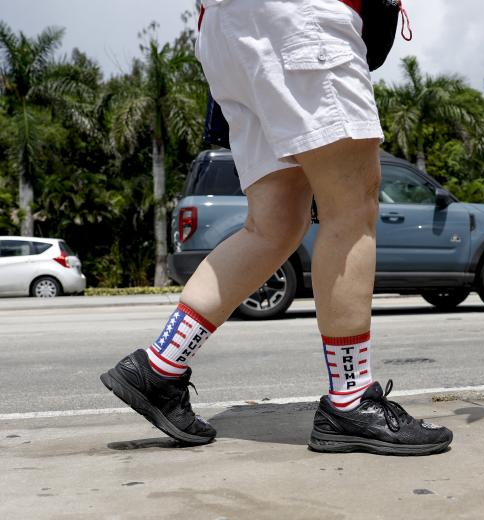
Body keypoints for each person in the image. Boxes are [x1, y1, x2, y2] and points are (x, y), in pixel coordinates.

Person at [99, 0, 452, 456]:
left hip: (227, 30)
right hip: (299, 18)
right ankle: (350, 399)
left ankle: (160, 366)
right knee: (350, 208)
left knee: (273, 226)